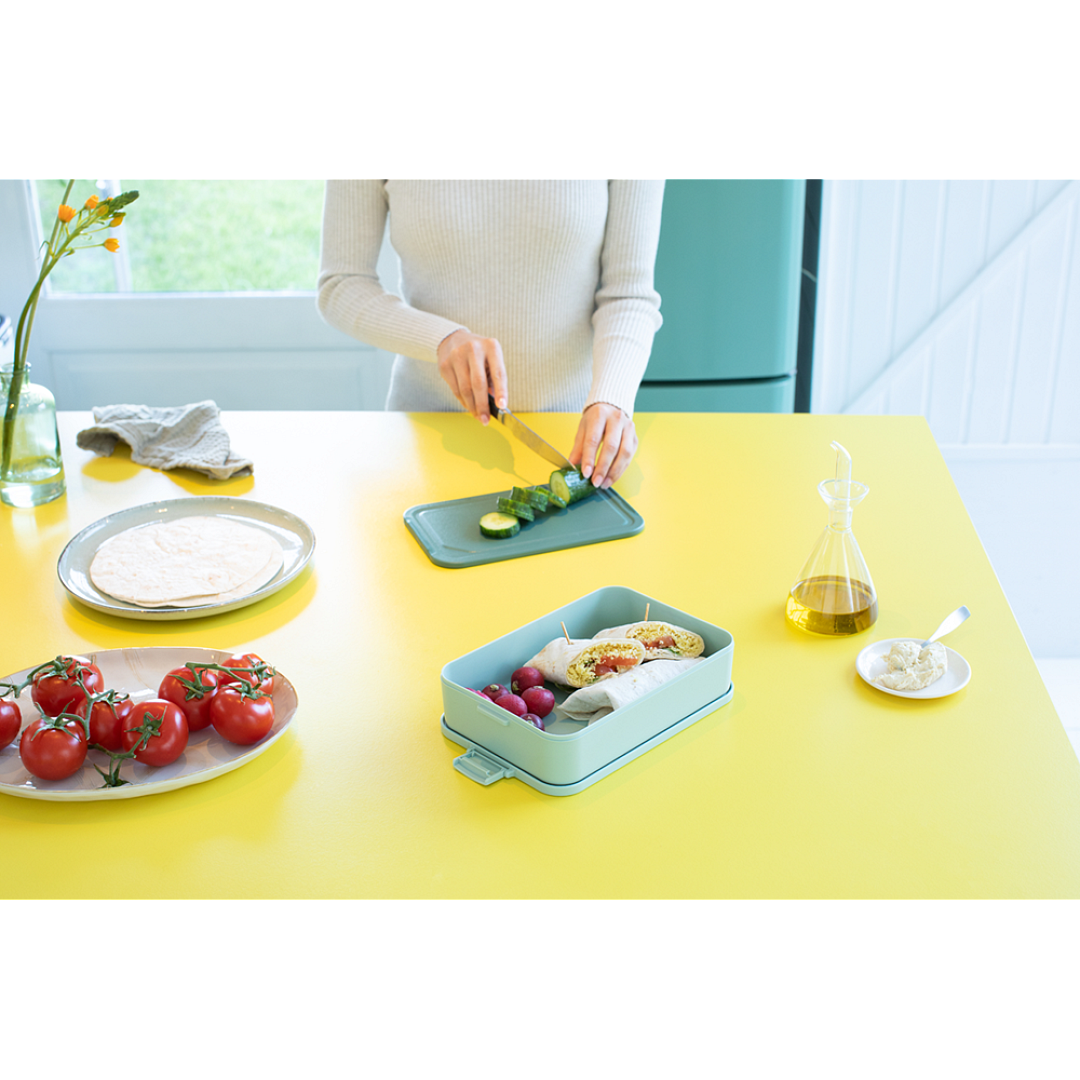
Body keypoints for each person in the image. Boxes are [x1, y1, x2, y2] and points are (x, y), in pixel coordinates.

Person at [317, 179, 664, 487]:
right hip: (427, 436)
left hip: (573, 442)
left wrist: (612, 396)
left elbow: (628, 295)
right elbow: (342, 285)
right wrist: (441, 339)